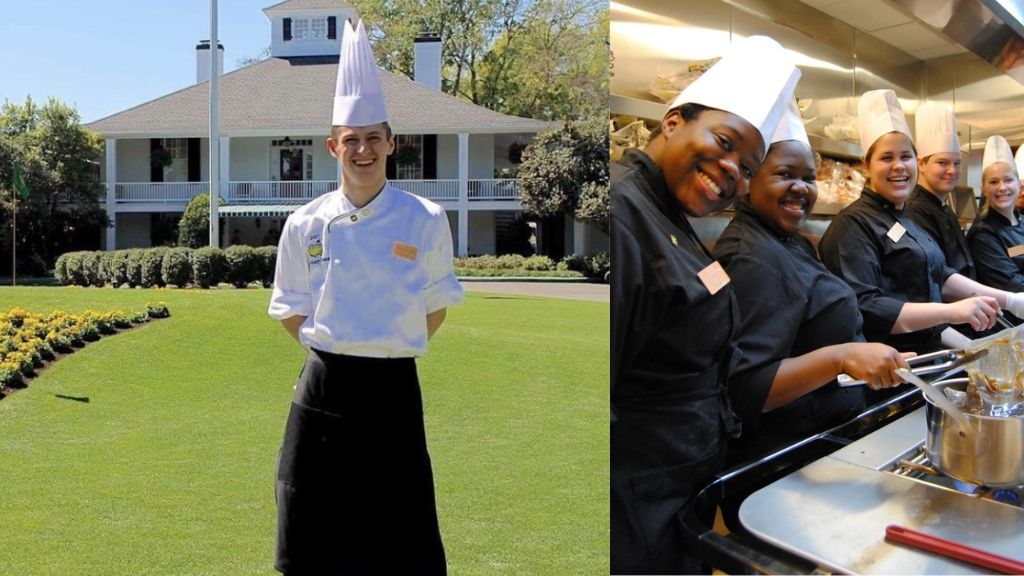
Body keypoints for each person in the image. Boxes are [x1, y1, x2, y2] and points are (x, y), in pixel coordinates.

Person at [267, 19, 463, 575]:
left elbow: (436, 305)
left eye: (374, 137)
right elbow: (291, 307)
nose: (362, 150)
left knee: (401, 535)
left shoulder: (425, 218)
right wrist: (332, 347)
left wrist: (384, 345)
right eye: (351, 140)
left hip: (394, 388)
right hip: (324, 384)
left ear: (391, 143)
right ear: (333, 146)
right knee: (308, 531)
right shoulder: (303, 224)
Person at [611, 36, 802, 575]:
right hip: (633, 504)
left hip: (676, 496)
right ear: (673, 121)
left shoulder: (673, 218)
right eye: (723, 140)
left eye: (747, 166)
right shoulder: (624, 214)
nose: (732, 172)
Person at [713, 100, 911, 463]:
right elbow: (749, 389)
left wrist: (866, 363)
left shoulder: (791, 241)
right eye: (785, 174)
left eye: (808, 177)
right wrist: (843, 357)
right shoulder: (750, 256)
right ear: (748, 179)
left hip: (829, 440)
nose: (801, 188)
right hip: (784, 461)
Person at [818, 90, 1024, 369]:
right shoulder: (852, 225)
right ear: (866, 165)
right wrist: (950, 312)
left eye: (905, 156)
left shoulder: (905, 221)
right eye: (886, 158)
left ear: (915, 161)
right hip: (891, 372)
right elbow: (867, 306)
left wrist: (1008, 302)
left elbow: (939, 275)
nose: (899, 166)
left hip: (930, 360)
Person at [903, 102, 974, 279]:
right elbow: (938, 274)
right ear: (921, 164)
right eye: (942, 163)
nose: (952, 171)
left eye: (957, 163)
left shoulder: (944, 207)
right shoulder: (915, 211)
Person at [967, 136, 1024, 306]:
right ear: (983, 189)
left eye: (1008, 180)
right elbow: (1012, 284)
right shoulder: (983, 234)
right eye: (993, 182)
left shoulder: (1022, 221)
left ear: (1019, 185)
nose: (1002, 187)